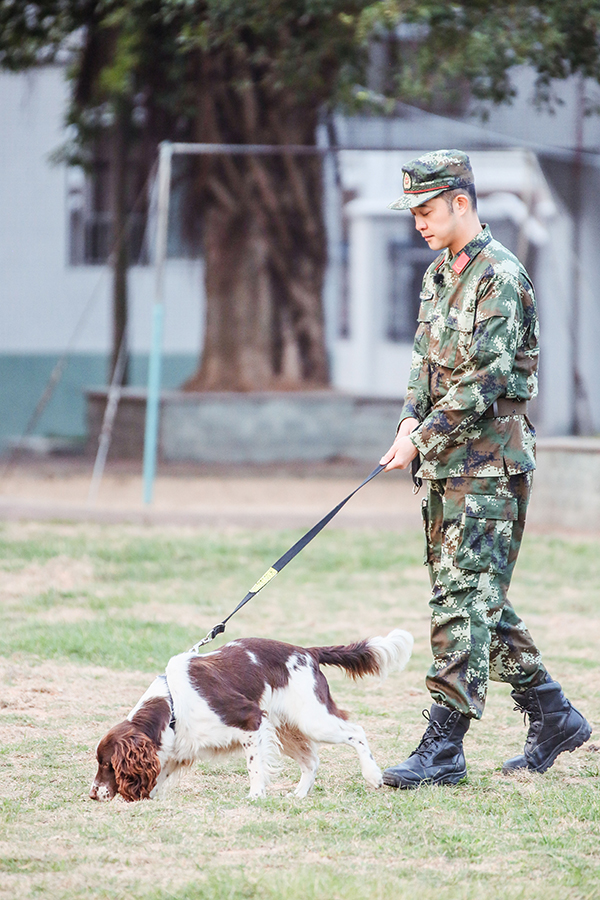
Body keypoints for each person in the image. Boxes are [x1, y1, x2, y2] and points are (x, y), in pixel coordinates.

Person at [380, 149, 591, 789]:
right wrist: (407, 421)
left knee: (460, 600)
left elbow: (485, 380)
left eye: (426, 209)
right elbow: (424, 362)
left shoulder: (501, 276)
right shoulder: (440, 274)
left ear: (461, 203)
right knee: (476, 597)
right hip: (446, 464)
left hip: (491, 465)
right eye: (413, 211)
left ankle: (444, 746)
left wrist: (425, 434)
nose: (418, 221)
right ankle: (553, 714)